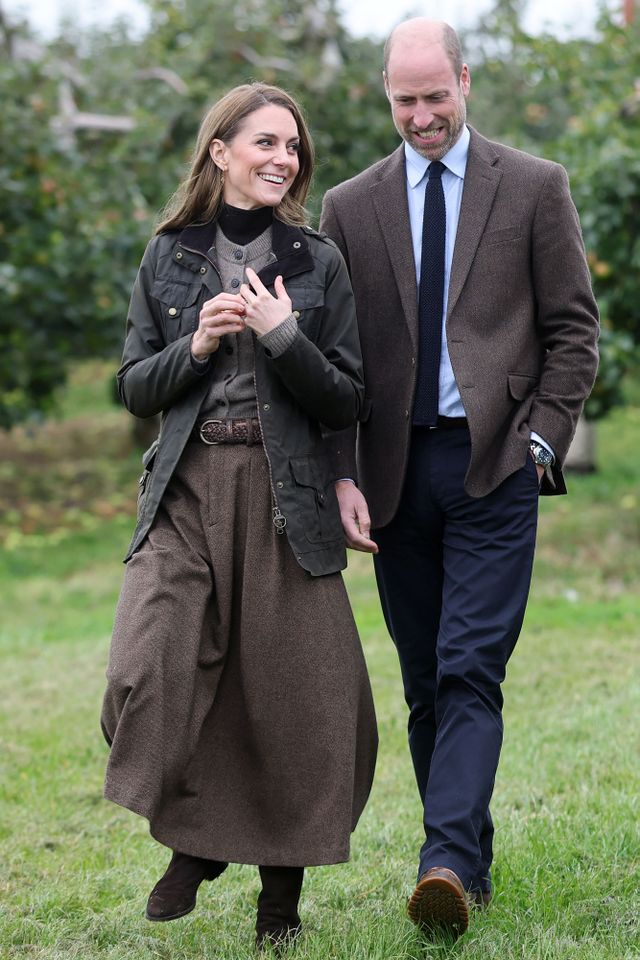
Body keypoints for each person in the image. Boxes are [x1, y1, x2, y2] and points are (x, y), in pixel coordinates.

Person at [320, 19, 599, 939]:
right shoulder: (350, 207)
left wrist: (542, 441)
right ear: (386, 96)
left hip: (494, 467)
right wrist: (343, 473)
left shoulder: (532, 186)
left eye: (436, 96)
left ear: (465, 82)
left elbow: (573, 332)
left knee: (471, 665)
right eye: (405, 100)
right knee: (426, 683)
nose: (422, 115)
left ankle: (438, 861)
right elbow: (336, 357)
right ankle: (465, 868)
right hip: (395, 474)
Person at [101, 82, 377, 950]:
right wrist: (199, 343)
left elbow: (346, 401)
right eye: (265, 142)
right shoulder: (167, 257)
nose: (282, 159)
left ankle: (279, 900)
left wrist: (285, 335)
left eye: (292, 146)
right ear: (220, 150)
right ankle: (198, 840)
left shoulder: (316, 261)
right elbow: (131, 386)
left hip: (282, 493)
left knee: (294, 698)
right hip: (185, 489)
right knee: (145, 675)